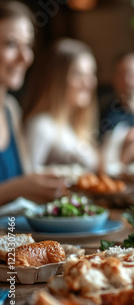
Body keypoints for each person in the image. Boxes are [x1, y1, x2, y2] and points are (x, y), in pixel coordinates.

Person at [0, 1, 65, 205]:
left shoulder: (10, 109)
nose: (26, 57)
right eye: (11, 44)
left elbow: (28, 182)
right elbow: (22, 186)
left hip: (13, 236)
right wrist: (16, 188)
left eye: (28, 45)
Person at [22, 39, 99, 172]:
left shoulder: (77, 127)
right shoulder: (41, 125)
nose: (88, 83)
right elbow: (27, 179)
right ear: (57, 79)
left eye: (91, 74)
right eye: (78, 74)